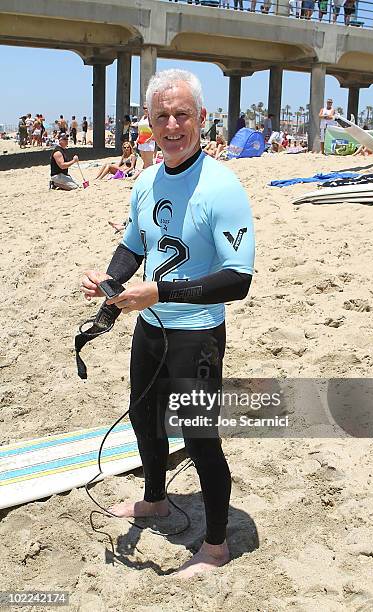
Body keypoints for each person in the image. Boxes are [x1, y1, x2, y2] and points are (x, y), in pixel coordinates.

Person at [80, 68, 255, 579]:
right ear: (149, 124)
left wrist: (162, 291)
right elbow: (135, 243)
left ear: (202, 118)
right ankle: (155, 499)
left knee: (201, 439)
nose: (173, 125)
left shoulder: (223, 186)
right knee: (143, 419)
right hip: (150, 328)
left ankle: (217, 545)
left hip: (198, 333)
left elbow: (238, 279)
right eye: (162, 116)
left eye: (182, 115)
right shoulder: (147, 180)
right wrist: (110, 284)